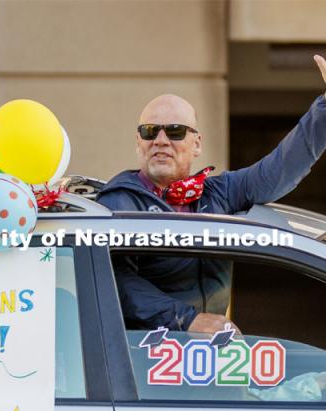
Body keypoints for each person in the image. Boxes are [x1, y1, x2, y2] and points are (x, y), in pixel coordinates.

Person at [96, 55, 326, 334]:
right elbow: (114, 281)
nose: (160, 140)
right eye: (149, 131)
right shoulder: (119, 201)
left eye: (175, 131)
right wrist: (189, 320)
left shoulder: (217, 192)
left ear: (197, 144)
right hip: (142, 360)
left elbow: (278, 171)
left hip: (203, 359)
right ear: (138, 142)